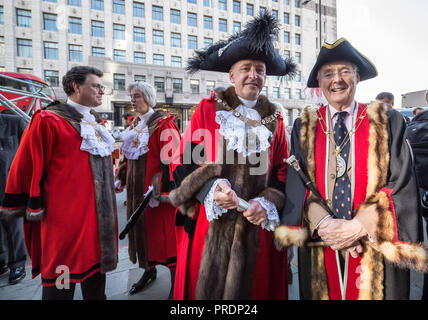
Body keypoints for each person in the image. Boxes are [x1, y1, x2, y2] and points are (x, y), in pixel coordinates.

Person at [276, 38, 427, 300]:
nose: (337, 80)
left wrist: (359, 226)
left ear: (357, 76)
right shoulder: (305, 126)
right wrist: (323, 223)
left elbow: (403, 182)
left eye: (345, 71)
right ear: (320, 83)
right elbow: (295, 181)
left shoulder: (386, 120)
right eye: (328, 73)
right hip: (321, 243)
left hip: (373, 244)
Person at [168, 12, 299, 300]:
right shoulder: (207, 110)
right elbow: (184, 163)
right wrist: (210, 189)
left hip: (258, 230)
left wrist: (266, 203)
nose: (253, 75)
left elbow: (282, 173)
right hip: (210, 227)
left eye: (260, 70)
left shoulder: (275, 120)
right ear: (231, 75)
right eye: (246, 68)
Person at [0, 66, 118, 300]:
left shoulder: (96, 124)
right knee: (61, 288)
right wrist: (22, 206)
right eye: (95, 85)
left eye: (101, 86)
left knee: (96, 288)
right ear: (76, 87)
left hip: (98, 226)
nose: (101, 91)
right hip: (64, 227)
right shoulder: (48, 120)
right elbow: (24, 166)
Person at [115, 82, 180, 298]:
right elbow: (129, 158)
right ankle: (148, 271)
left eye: (137, 96)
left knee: (164, 238)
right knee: (142, 235)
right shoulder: (135, 124)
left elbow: (174, 161)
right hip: (135, 193)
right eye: (131, 96)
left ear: (148, 98)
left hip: (157, 195)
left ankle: (175, 283)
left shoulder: (163, 124)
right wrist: (121, 177)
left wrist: (158, 188)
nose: (132, 101)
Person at [0, 111, 27, 285]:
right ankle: (1, 262)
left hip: (9, 189)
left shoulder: (14, 122)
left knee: (13, 228)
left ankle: (17, 264)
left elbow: (29, 154)